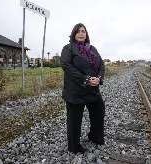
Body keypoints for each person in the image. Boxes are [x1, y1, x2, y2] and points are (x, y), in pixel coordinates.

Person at [60, 23, 105, 155]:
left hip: (92, 90)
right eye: (78, 31)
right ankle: (74, 147)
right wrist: (85, 79)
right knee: (74, 120)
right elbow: (66, 66)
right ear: (74, 34)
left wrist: (99, 78)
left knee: (99, 111)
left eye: (83, 31)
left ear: (86, 34)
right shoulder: (68, 48)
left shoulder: (92, 49)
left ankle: (95, 137)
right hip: (75, 91)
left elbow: (101, 64)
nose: (81, 34)